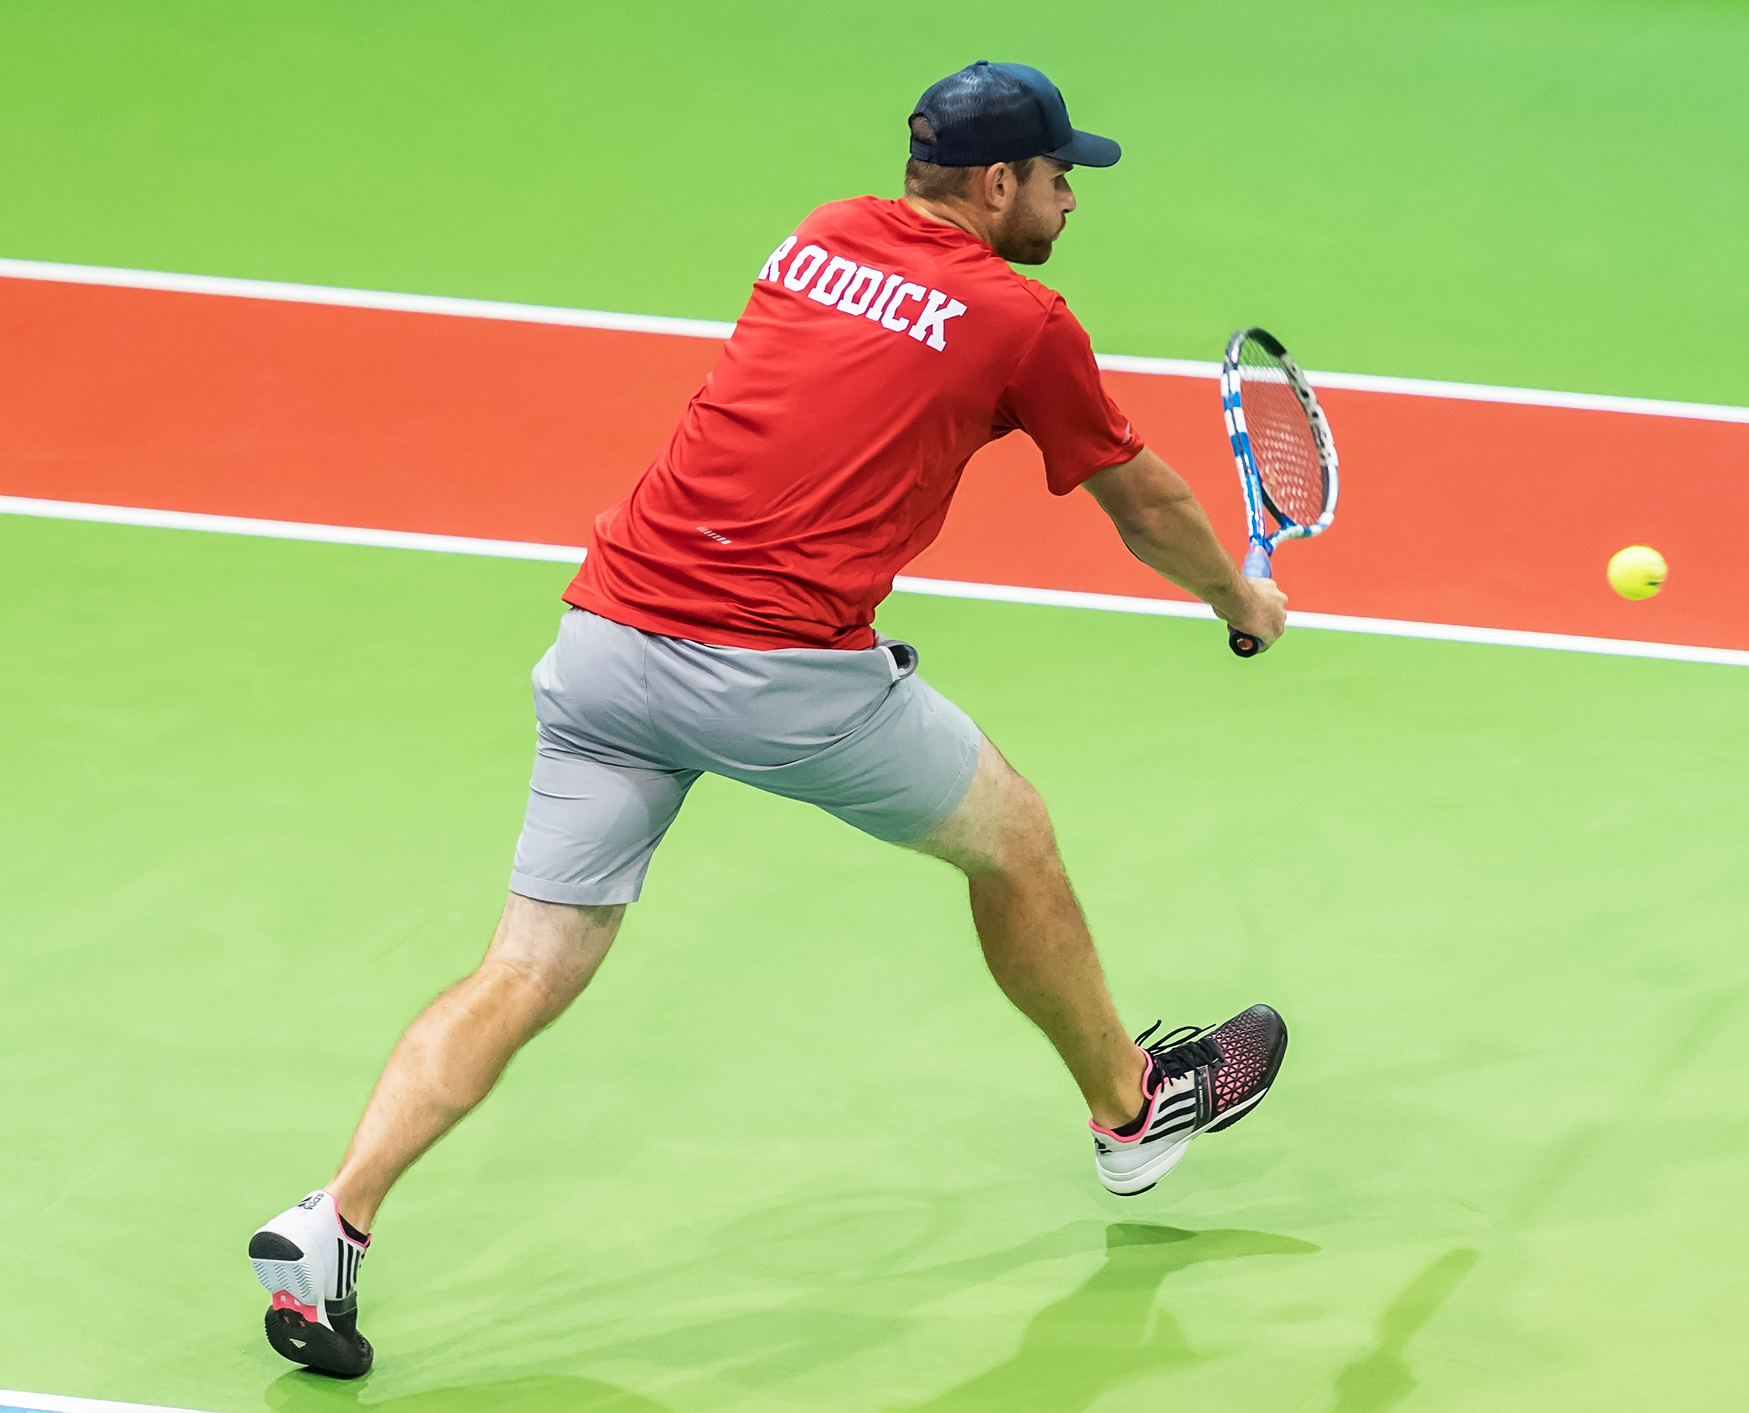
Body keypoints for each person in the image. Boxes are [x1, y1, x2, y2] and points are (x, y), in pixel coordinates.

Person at [246, 60, 1291, 1378]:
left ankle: (330, 1223)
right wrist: (1239, 597)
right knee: (1012, 836)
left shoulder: (823, 231)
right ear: (996, 182)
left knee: (522, 969)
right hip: (774, 670)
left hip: (605, 643)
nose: (1073, 197)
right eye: (1058, 173)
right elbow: (1140, 503)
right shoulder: (1020, 318)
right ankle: (1133, 1113)